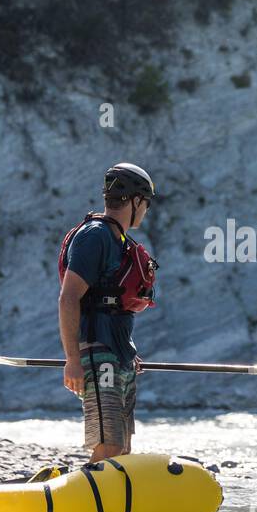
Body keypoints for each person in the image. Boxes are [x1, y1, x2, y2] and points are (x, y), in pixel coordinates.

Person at [54, 163, 158, 465]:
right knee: (108, 444)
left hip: (118, 354)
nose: (147, 211)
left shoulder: (120, 240)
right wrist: (73, 359)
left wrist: (126, 353)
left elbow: (113, 305)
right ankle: (80, 502)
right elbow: (68, 298)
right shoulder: (94, 236)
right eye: (146, 204)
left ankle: (112, 507)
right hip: (98, 355)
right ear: (136, 201)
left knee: (122, 448)